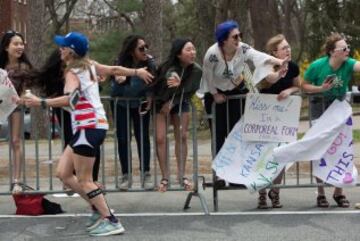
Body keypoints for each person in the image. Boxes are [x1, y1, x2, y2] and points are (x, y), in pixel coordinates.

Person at [24, 32, 153, 236]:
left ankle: (111, 219)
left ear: (71, 51)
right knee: (64, 174)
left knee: (84, 179)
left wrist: (40, 102)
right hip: (91, 126)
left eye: (63, 46)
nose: (60, 49)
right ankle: (97, 207)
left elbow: (70, 101)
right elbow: (114, 69)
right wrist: (136, 72)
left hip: (88, 127)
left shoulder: (73, 72)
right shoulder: (89, 65)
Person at [198, 20, 287, 186]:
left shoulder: (242, 48)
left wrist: (278, 62)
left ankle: (235, 177)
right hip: (215, 93)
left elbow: (258, 56)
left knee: (235, 135)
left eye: (240, 35)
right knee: (218, 135)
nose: (238, 38)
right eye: (234, 36)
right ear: (224, 40)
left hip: (234, 92)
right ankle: (219, 175)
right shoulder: (211, 55)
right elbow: (208, 77)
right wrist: (215, 94)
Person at [302, 32, 360, 208]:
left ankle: (339, 192)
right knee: (320, 148)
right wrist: (321, 88)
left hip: (339, 106)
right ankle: (320, 193)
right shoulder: (317, 66)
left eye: (347, 47)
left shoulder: (348, 63)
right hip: (319, 105)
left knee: (341, 148)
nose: (347, 50)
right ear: (332, 52)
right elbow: (304, 85)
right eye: (344, 48)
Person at [31, 49, 101, 184]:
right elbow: (65, 97)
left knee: (91, 144)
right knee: (71, 141)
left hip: (84, 113)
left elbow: (106, 73)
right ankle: (72, 177)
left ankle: (92, 179)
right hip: (65, 110)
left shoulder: (81, 68)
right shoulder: (58, 74)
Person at [256, 34, 300, 209]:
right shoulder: (266, 65)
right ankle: (261, 192)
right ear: (274, 52)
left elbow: (298, 85)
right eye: (284, 48)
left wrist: (290, 91)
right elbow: (267, 81)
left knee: (281, 153)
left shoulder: (294, 66)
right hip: (265, 116)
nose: (288, 50)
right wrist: (278, 72)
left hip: (284, 117)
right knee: (264, 155)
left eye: (288, 47)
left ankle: (275, 192)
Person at [154, 38, 202, 192]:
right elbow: (169, 76)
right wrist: (174, 78)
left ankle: (182, 175)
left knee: (182, 136)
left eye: (193, 49)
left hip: (181, 102)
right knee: (160, 138)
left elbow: (190, 90)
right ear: (178, 54)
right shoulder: (167, 67)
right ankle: (165, 177)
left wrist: (174, 101)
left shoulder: (196, 70)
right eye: (188, 50)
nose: (192, 52)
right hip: (161, 103)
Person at [111, 35, 155, 189]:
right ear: (131, 51)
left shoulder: (149, 62)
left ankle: (146, 174)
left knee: (142, 138)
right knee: (123, 139)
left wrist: (150, 96)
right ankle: (126, 176)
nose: (145, 51)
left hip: (140, 105)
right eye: (141, 48)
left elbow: (153, 83)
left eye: (146, 47)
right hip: (121, 104)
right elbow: (114, 91)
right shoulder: (119, 64)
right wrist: (118, 82)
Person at [0, 30, 33, 194]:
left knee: (15, 141)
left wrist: (23, 97)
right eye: (16, 44)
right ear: (6, 47)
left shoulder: (24, 68)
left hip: (15, 108)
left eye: (21, 44)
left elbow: (28, 89)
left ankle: (17, 181)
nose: (20, 47)